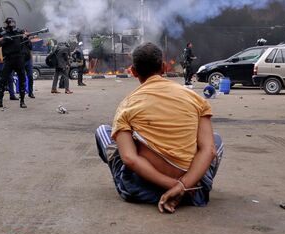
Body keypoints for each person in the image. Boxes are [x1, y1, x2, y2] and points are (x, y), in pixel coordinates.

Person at [95, 42, 224, 213]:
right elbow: (209, 151)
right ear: (163, 67)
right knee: (215, 140)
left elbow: (129, 159)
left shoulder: (127, 105)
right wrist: (182, 185)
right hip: (193, 190)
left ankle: (169, 188)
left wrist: (174, 185)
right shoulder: (195, 99)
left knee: (104, 132)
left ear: (133, 71)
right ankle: (190, 185)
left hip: (140, 189)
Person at [0, 18, 28, 108]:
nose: (12, 26)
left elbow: (25, 37)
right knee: (2, 80)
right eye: (10, 24)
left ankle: (22, 101)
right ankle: (0, 101)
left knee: (22, 79)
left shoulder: (19, 32)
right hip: (8, 59)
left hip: (18, 58)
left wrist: (25, 36)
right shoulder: (3, 33)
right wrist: (3, 39)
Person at [21, 32, 35, 98]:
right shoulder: (20, 40)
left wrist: (31, 60)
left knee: (30, 77)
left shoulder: (28, 41)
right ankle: (22, 93)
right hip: (21, 60)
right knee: (22, 77)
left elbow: (30, 49)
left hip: (28, 60)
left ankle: (30, 92)